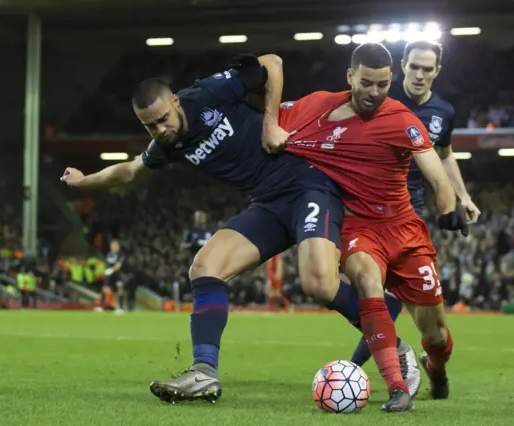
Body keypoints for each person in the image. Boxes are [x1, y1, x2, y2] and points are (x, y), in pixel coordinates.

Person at [60, 53, 416, 405]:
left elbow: (273, 63)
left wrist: (270, 122)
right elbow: (130, 170)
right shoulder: (168, 145)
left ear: (176, 101)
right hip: (267, 204)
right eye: (150, 126)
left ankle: (393, 345)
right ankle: (204, 372)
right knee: (204, 266)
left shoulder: (209, 93)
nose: (160, 129)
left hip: (307, 185)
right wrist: (84, 181)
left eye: (163, 119)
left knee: (318, 283)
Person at [279, 43, 466, 411]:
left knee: (437, 335)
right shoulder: (321, 109)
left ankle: (437, 369)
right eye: (366, 83)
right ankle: (397, 387)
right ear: (350, 77)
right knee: (367, 283)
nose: (375, 93)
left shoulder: (402, 119)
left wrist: (448, 208)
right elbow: (269, 119)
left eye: (382, 84)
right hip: (359, 227)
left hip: (405, 228)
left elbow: (437, 174)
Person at [348, 39, 481, 379]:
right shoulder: (378, 99)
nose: (420, 75)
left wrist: (462, 196)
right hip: (364, 209)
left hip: (410, 212)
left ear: (437, 71)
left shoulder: (443, 112)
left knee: (405, 306)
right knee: (371, 288)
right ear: (402, 67)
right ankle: (361, 367)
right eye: (414, 67)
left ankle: (376, 365)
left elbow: (445, 154)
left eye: (427, 68)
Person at [95, 238, 126, 314]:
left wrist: (111, 270)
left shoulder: (121, 254)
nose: (114, 246)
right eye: (112, 244)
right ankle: (101, 307)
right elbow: (107, 263)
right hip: (109, 275)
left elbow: (118, 265)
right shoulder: (109, 254)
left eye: (116, 244)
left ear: (118, 246)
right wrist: (105, 271)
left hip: (117, 275)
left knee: (120, 290)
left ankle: (121, 308)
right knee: (104, 289)